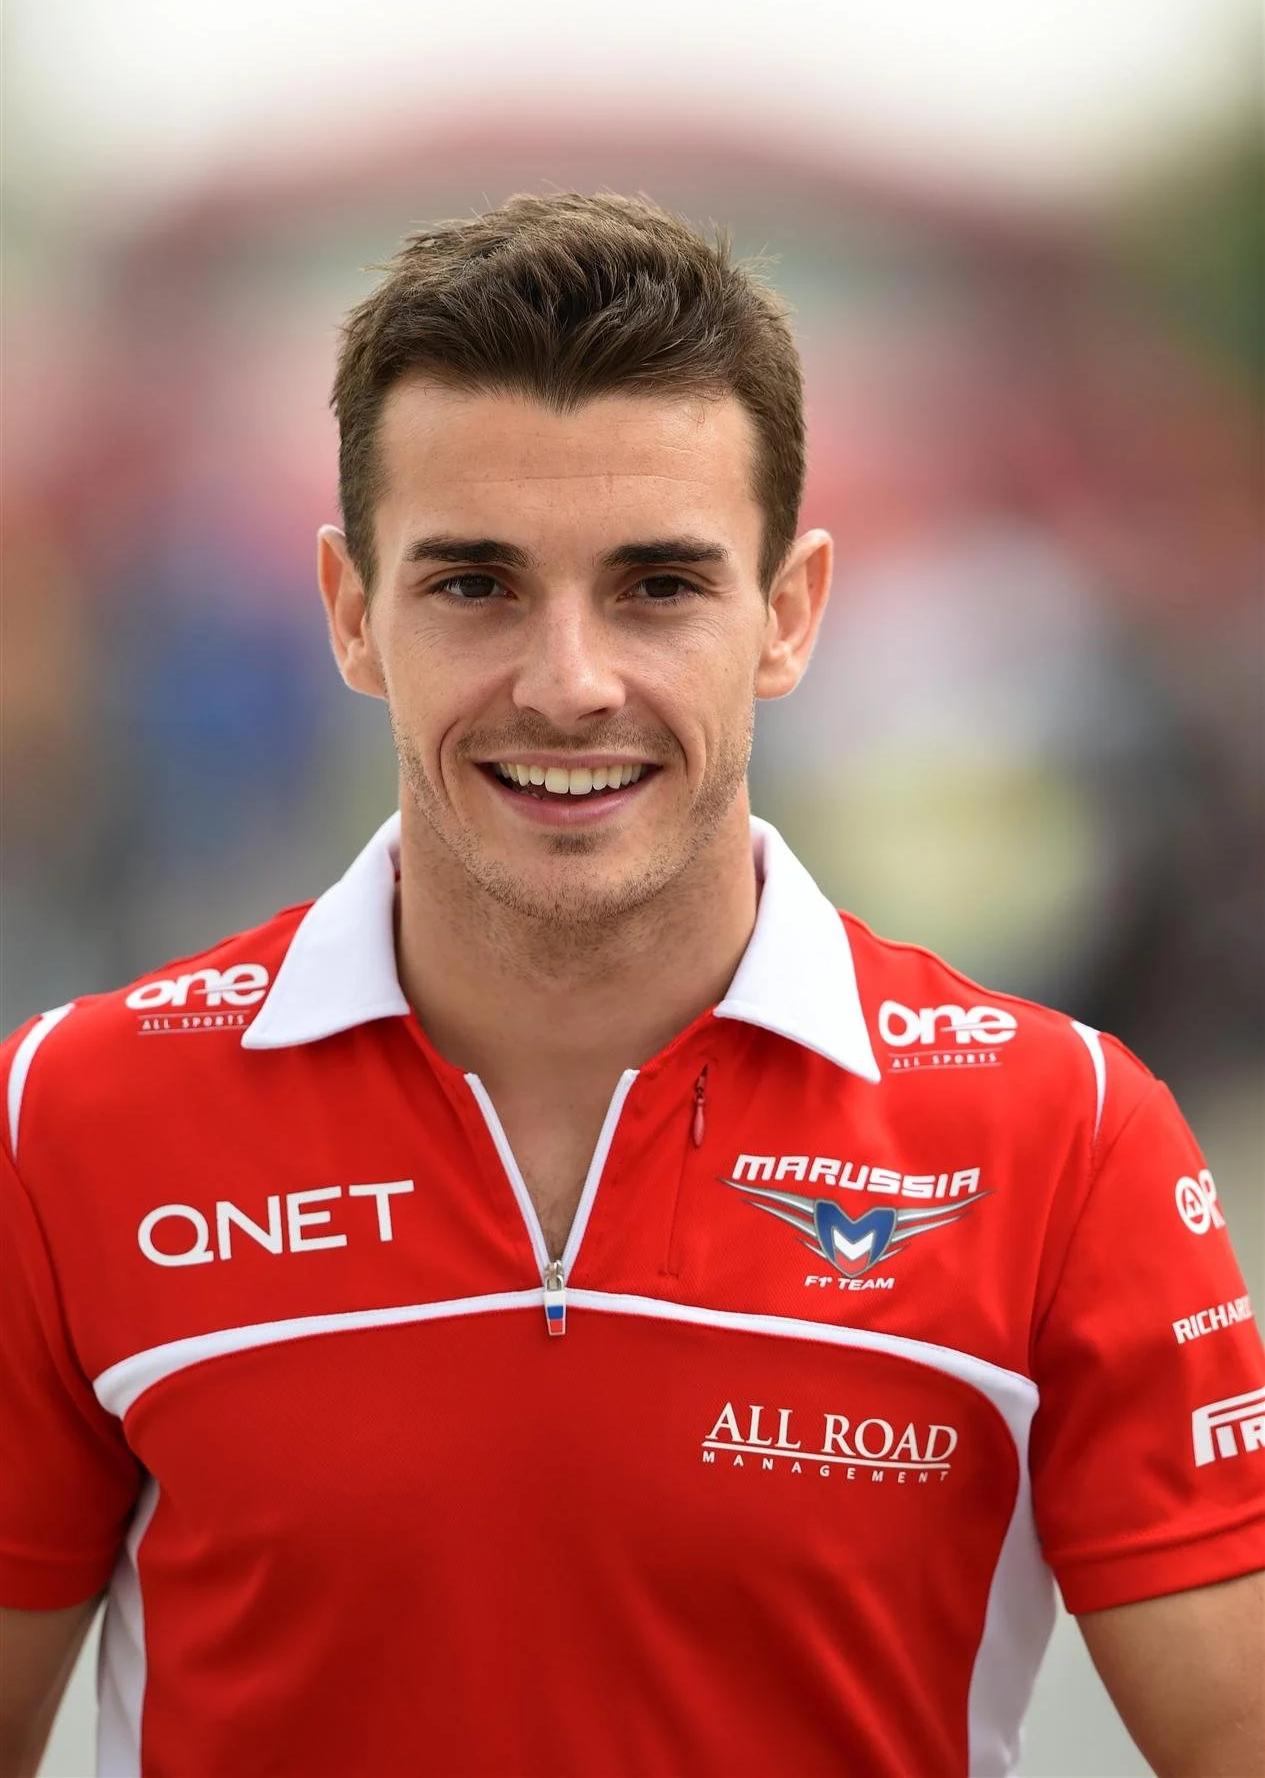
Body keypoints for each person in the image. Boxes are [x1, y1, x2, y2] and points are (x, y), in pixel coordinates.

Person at [1, 193, 1261, 1778]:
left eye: (658, 587)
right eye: (476, 585)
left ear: (787, 616)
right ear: (351, 614)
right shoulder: (68, 1118)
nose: (570, 682)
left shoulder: (1065, 1133)